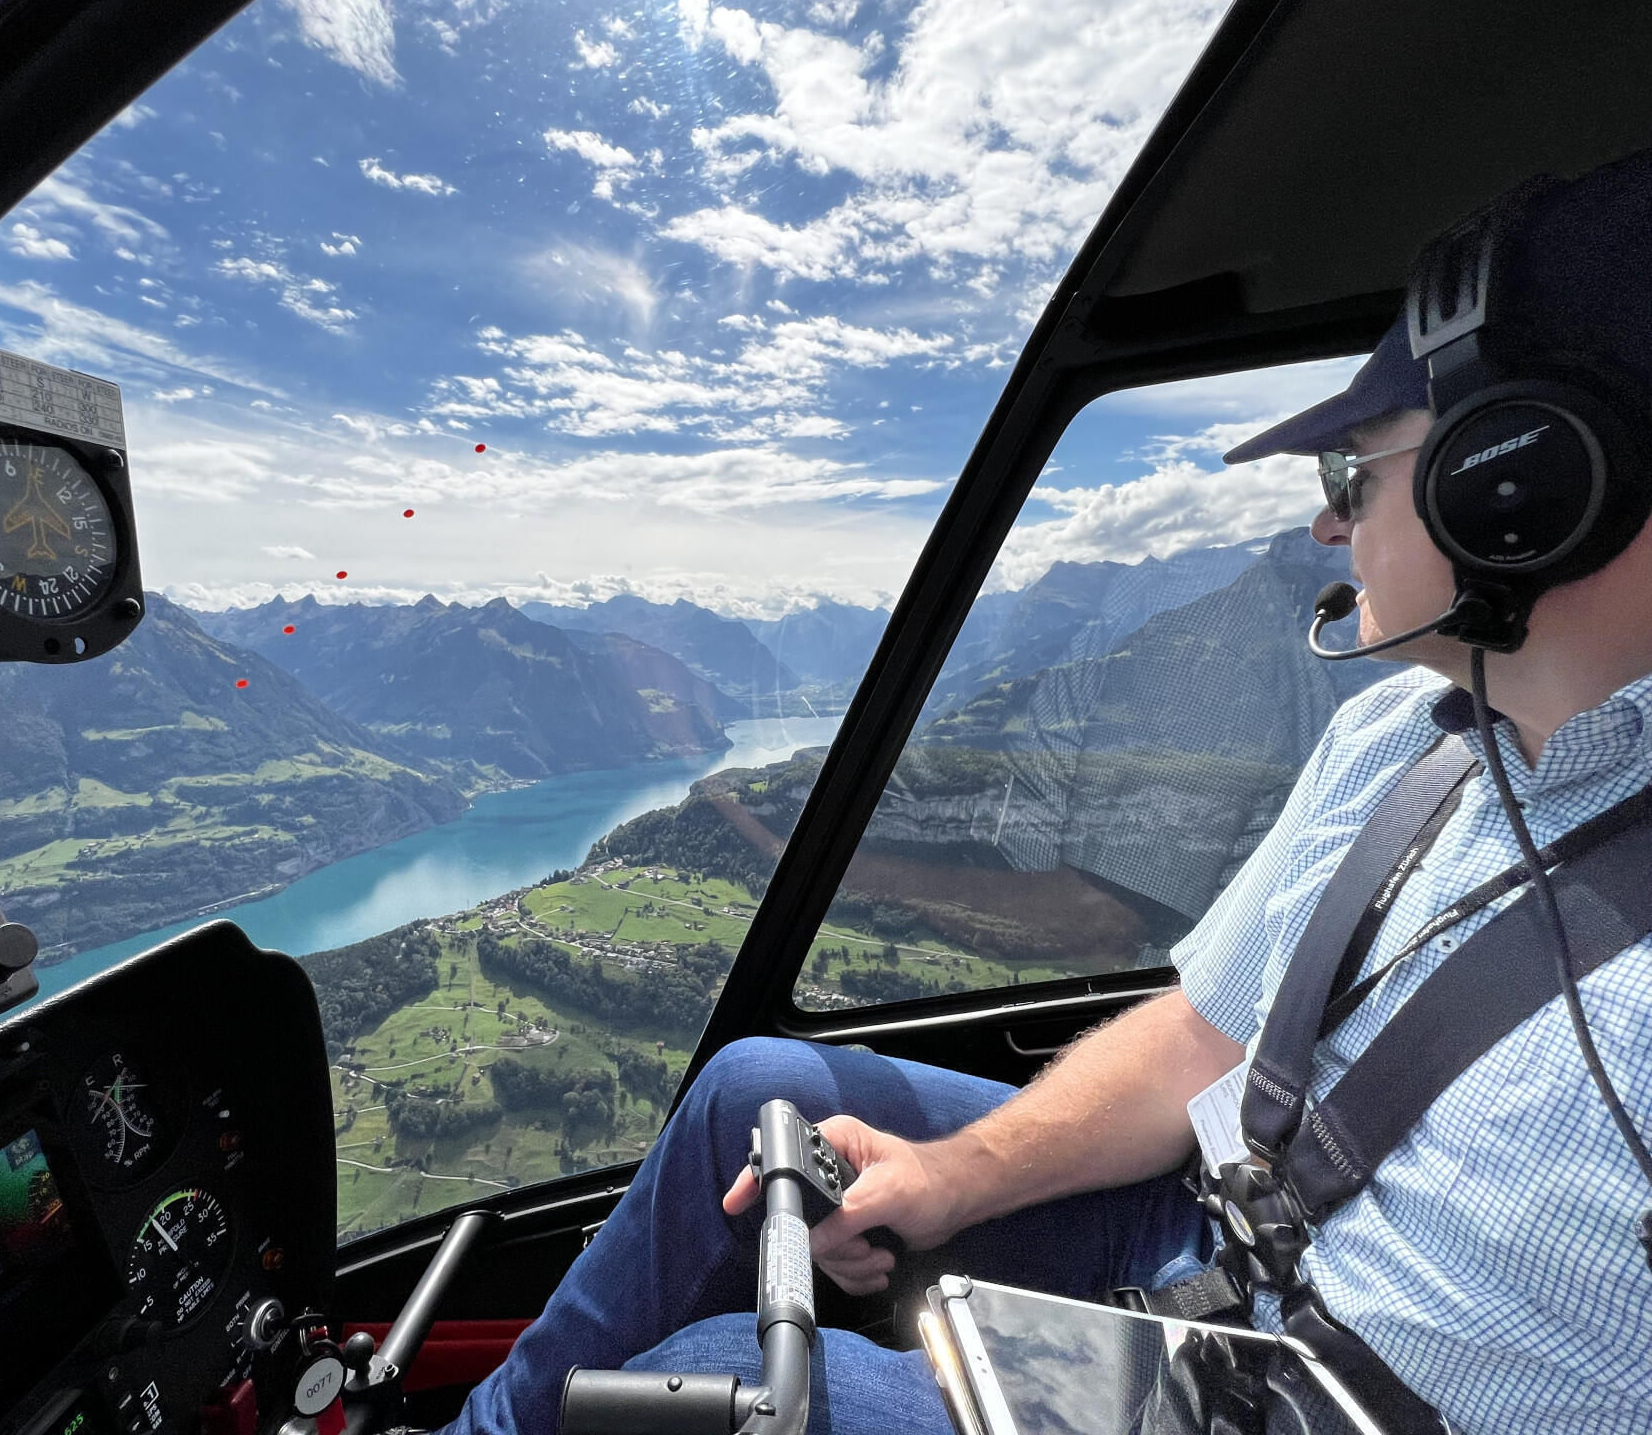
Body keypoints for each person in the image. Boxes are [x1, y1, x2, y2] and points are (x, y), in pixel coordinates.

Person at [436, 151, 1652, 1435]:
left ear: (1524, 483)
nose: (1325, 529)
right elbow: (1205, 1037)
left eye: (1351, 473)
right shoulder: (1410, 735)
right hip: (1226, 1232)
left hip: (1364, 1404)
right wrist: (952, 1178)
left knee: (723, 1393)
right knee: (760, 1096)